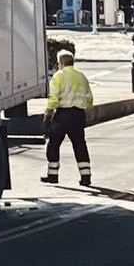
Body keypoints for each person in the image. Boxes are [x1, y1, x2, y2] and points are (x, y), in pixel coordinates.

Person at [44, 50, 94, 186]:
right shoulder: (81, 76)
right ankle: (86, 176)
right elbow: (89, 98)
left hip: (62, 115)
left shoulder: (58, 76)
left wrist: (48, 112)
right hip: (78, 115)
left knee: (54, 144)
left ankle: (53, 175)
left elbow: (54, 98)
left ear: (61, 63)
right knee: (80, 145)